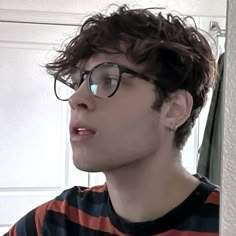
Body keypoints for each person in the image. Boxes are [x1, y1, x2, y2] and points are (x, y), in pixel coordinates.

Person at [5, 5, 219, 236]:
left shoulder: (225, 223)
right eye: (78, 82)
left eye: (107, 79)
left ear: (173, 110)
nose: (76, 98)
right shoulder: (55, 222)